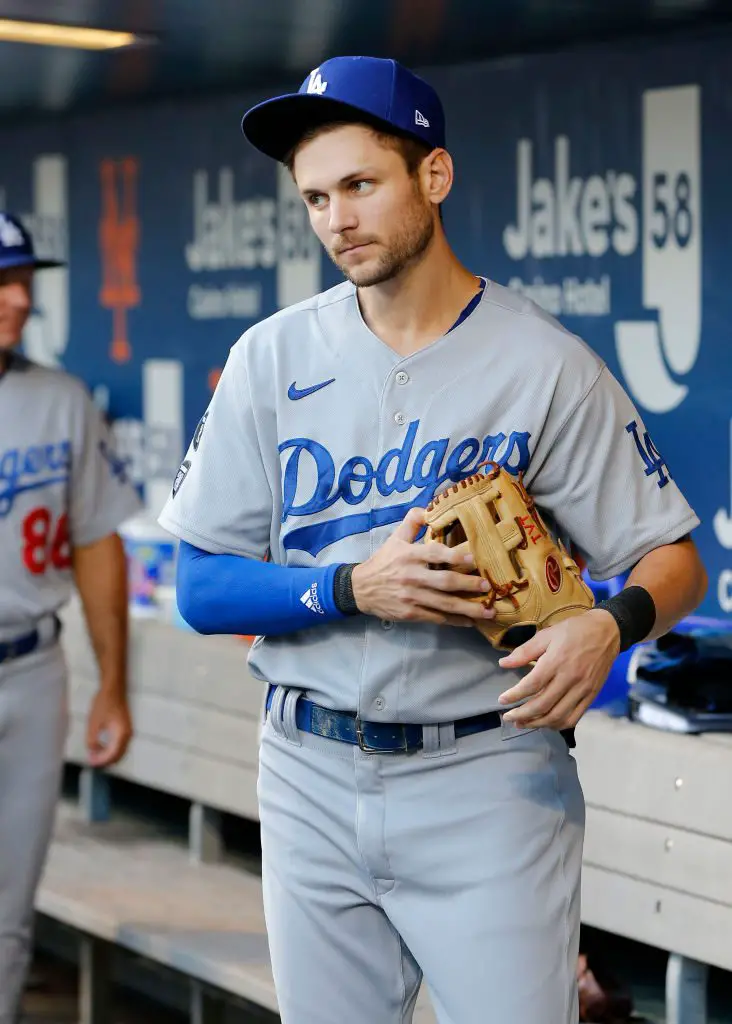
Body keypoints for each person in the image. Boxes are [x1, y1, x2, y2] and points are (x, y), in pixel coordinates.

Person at [158, 57, 707, 1024]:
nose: (337, 221)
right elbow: (198, 589)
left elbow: (676, 560)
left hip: (487, 778)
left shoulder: (545, 365)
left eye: (361, 186)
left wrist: (608, 627)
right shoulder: (271, 358)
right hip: (309, 769)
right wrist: (348, 587)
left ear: (434, 177)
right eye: (317, 197)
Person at [0, 212, 141, 1020]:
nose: (18, 298)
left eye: (24, 280)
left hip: (31, 670)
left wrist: (112, 685)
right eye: (0, 281)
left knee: (10, 911)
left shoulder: (60, 400)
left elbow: (96, 543)